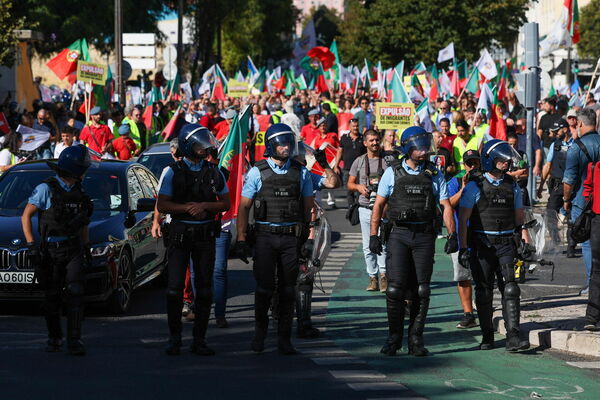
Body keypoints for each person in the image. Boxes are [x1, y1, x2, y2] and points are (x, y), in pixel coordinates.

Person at [370, 126, 456, 357]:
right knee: (396, 289)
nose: (425, 150)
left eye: (426, 144)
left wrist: (452, 234)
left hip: (424, 236)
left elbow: (445, 205)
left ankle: (416, 339)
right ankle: (393, 339)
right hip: (398, 234)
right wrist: (373, 236)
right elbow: (378, 205)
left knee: (422, 289)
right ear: (408, 147)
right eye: (419, 146)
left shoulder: (434, 173)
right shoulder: (392, 172)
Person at [234, 123, 314, 355]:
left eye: (289, 142)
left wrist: (309, 238)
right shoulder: (257, 172)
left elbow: (309, 209)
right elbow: (244, 206)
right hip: (265, 238)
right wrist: (241, 238)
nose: (286, 146)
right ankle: (259, 334)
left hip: (291, 239)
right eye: (281, 143)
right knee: (264, 289)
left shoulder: (302, 172)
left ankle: (284, 338)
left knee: (289, 290)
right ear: (271, 145)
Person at [156, 124, 231, 356]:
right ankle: (174, 337)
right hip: (180, 234)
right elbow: (163, 204)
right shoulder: (172, 171)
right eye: (198, 145)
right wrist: (186, 208)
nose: (203, 148)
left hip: (205, 234)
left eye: (204, 144)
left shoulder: (214, 171)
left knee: (205, 288)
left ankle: (200, 339)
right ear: (187, 145)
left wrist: (205, 206)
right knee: (175, 287)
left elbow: (226, 203)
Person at [458, 139, 530, 352]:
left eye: (507, 160)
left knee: (510, 288)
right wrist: (463, 247)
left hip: (507, 243)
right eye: (501, 160)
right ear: (490, 160)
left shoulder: (512, 185)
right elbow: (463, 220)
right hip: (482, 245)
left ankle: (513, 337)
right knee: (484, 291)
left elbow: (519, 218)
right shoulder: (474, 186)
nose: (506, 163)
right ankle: (487, 335)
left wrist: (525, 241)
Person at [21, 145, 93, 355]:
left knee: (76, 292)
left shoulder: (79, 191)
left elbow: (84, 222)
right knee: (52, 296)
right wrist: (31, 245)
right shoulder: (47, 188)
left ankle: (74, 340)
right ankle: (54, 337)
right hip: (51, 249)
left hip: (73, 247)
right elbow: (26, 215)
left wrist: (86, 247)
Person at [295, 144, 341, 338]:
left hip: (302, 233)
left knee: (305, 278)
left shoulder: (306, 175)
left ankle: (304, 322)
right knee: (276, 279)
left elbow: (333, 183)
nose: (302, 163)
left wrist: (324, 164)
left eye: (303, 161)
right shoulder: (267, 174)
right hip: (277, 235)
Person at [563, 108, 600, 295]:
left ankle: (591, 284)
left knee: (586, 243)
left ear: (580, 124)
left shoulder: (576, 147)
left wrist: (565, 200)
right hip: (599, 199)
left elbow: (569, 179)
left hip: (582, 200)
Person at [347, 130, 387, 292]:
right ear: (365, 143)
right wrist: (358, 187)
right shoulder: (359, 161)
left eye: (377, 140)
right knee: (367, 244)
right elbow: (349, 183)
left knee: (383, 243)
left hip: (383, 208)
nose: (374, 143)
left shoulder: (387, 161)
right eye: (371, 141)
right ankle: (373, 277)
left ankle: (384, 276)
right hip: (364, 207)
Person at [447, 149, 480, 329]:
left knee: (484, 277)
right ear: (464, 164)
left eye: (476, 162)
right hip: (462, 237)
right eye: (469, 163)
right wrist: (463, 189)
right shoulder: (456, 180)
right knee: (463, 276)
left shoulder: (485, 179)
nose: (473, 167)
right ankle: (468, 313)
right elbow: (448, 204)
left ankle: (484, 310)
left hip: (483, 236)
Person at [536, 119, 575, 257]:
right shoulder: (555, 145)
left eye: (557, 130)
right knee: (550, 213)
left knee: (573, 218)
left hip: (574, 186)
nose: (555, 133)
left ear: (565, 129)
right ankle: (556, 240)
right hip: (558, 185)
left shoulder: (576, 144)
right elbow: (547, 165)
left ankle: (571, 245)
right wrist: (541, 186)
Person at [582, 159, 600, 331]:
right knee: (597, 268)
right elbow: (587, 189)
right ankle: (592, 316)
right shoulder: (594, 166)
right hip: (598, 220)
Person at [335, 118, 365, 207]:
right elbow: (339, 151)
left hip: (360, 169)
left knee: (359, 190)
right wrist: (336, 165)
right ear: (349, 127)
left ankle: (359, 207)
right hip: (347, 169)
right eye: (353, 126)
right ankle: (351, 207)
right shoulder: (344, 138)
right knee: (349, 190)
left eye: (357, 126)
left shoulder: (363, 138)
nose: (355, 128)